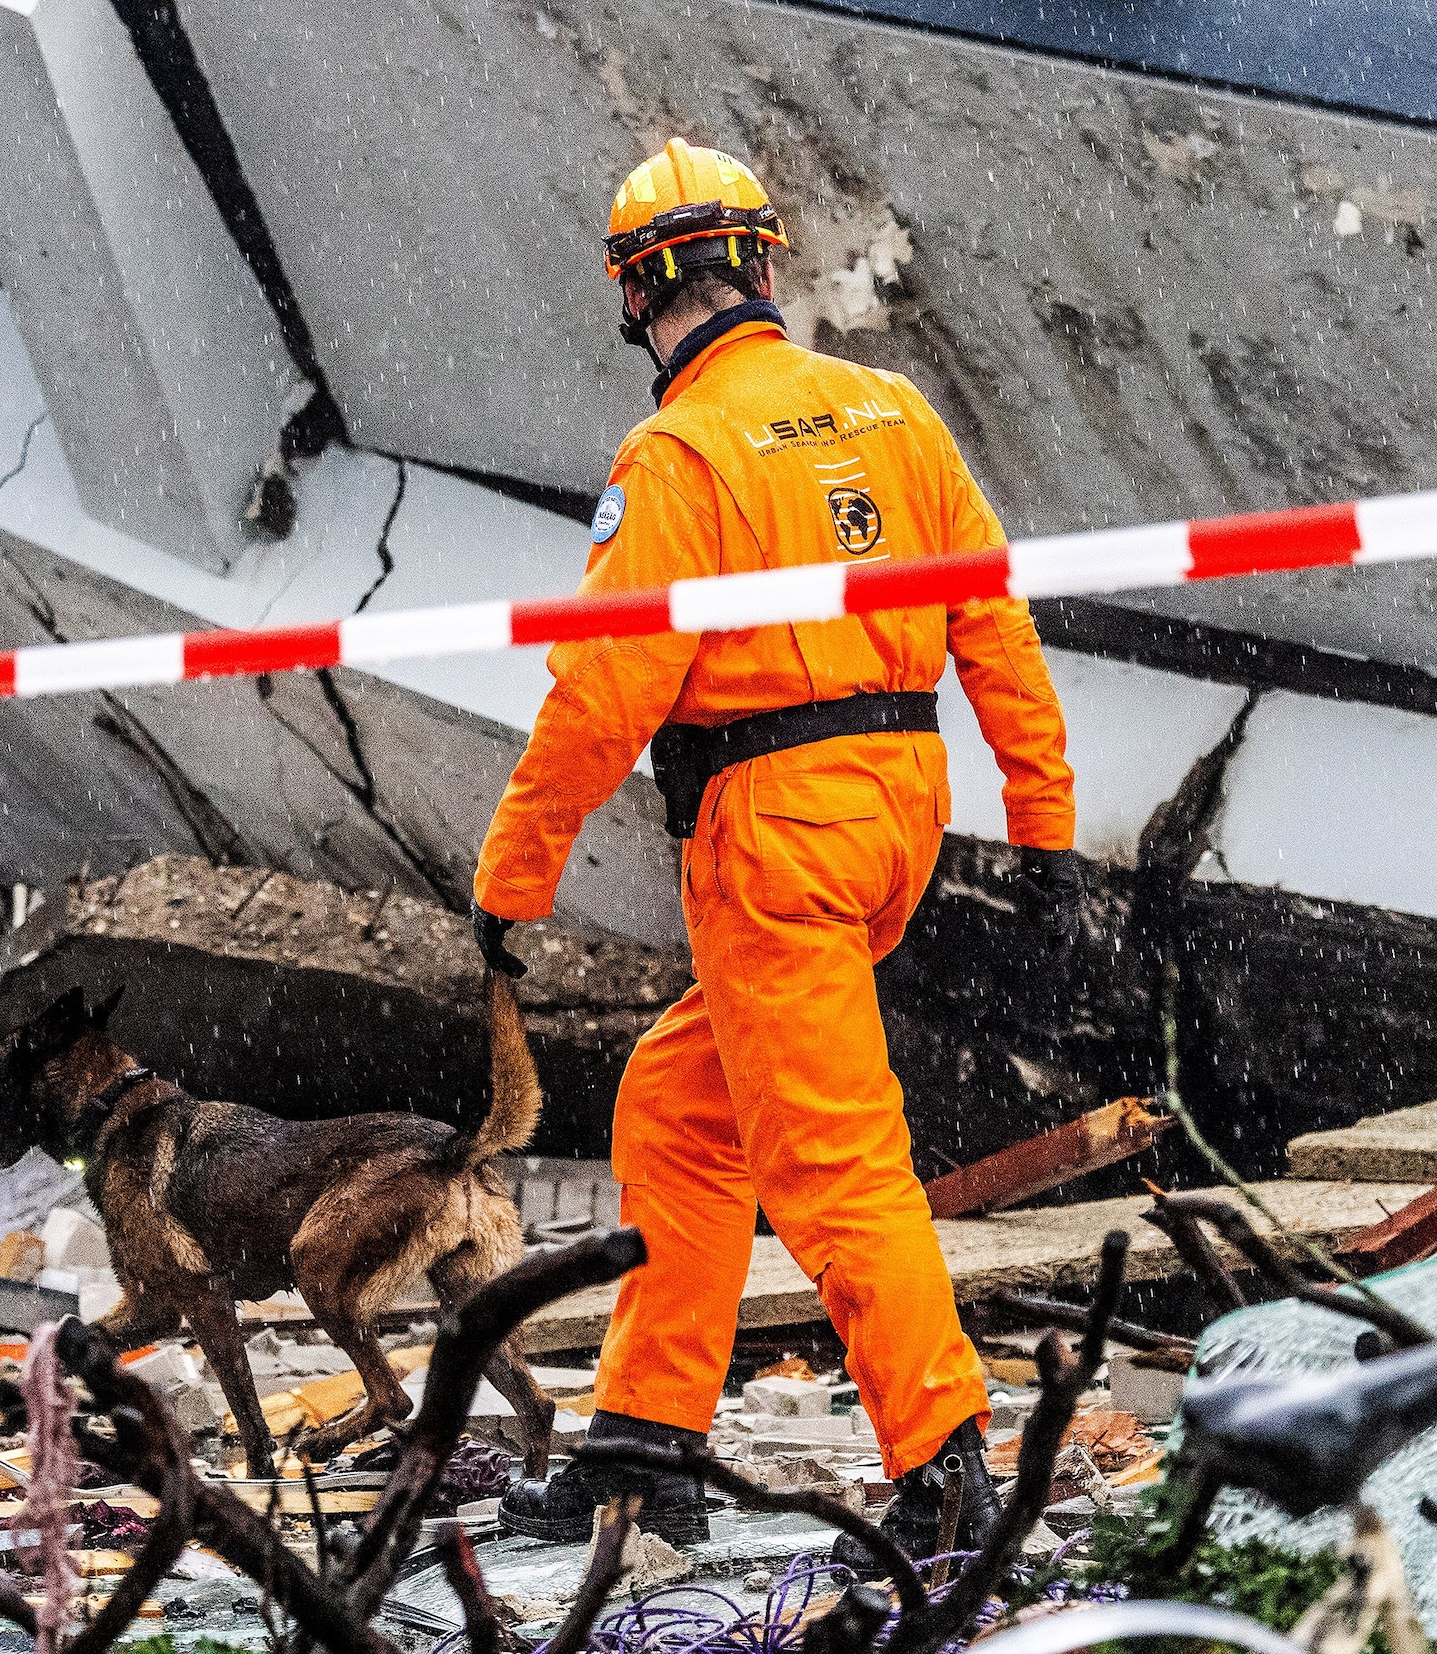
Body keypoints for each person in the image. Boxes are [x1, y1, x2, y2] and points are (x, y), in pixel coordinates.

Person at [471, 137, 1084, 1564]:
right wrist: (1045, 829)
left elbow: (600, 696)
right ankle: (643, 1444)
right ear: (762, 261)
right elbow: (994, 622)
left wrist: (513, 881)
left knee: (832, 1155)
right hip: (891, 824)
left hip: (775, 843)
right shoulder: (890, 412)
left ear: (636, 299)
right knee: (681, 1105)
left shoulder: (676, 457)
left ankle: (942, 1463)